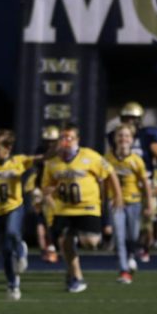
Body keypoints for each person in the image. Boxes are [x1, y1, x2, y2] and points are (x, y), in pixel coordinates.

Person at [43, 122, 122, 294]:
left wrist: (117, 195)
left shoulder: (90, 156)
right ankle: (76, 277)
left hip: (87, 206)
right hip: (64, 208)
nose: (66, 140)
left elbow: (110, 172)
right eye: (63, 137)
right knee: (64, 242)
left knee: (91, 242)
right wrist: (48, 195)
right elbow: (46, 187)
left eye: (70, 137)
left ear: (77, 139)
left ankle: (77, 241)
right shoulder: (52, 163)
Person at [0, 129, 35, 300]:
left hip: (14, 207)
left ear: (7, 148)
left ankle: (21, 250)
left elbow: (39, 160)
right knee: (5, 251)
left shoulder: (17, 161)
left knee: (12, 232)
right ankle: (13, 284)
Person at [108, 102, 157, 262]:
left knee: (147, 223)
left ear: (139, 119)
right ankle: (129, 250)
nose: (129, 121)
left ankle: (143, 248)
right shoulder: (117, 136)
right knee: (128, 223)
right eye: (126, 118)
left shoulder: (147, 135)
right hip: (124, 184)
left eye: (133, 118)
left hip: (146, 181)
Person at [104, 123, 152, 284]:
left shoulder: (136, 160)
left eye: (126, 136)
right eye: (120, 135)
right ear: (115, 139)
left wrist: (149, 204)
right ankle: (124, 270)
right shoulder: (108, 158)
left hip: (134, 202)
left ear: (131, 140)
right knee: (119, 236)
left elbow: (145, 183)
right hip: (116, 203)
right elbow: (103, 181)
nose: (123, 138)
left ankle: (131, 255)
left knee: (133, 235)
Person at [31, 125, 60, 263]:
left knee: (53, 221)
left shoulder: (61, 153)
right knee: (42, 220)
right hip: (43, 187)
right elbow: (38, 172)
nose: (49, 144)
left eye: (52, 141)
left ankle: (53, 248)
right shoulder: (41, 152)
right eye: (47, 141)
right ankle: (48, 250)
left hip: (56, 189)